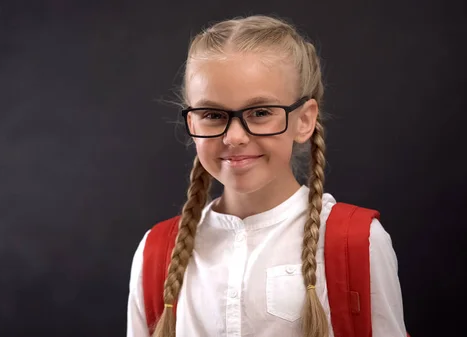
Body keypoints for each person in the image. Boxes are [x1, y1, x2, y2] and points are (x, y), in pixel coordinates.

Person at [126, 14, 408, 337]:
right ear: (192, 124)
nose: (234, 137)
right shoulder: (155, 254)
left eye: (260, 113)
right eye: (212, 115)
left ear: (304, 120)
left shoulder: (360, 243)